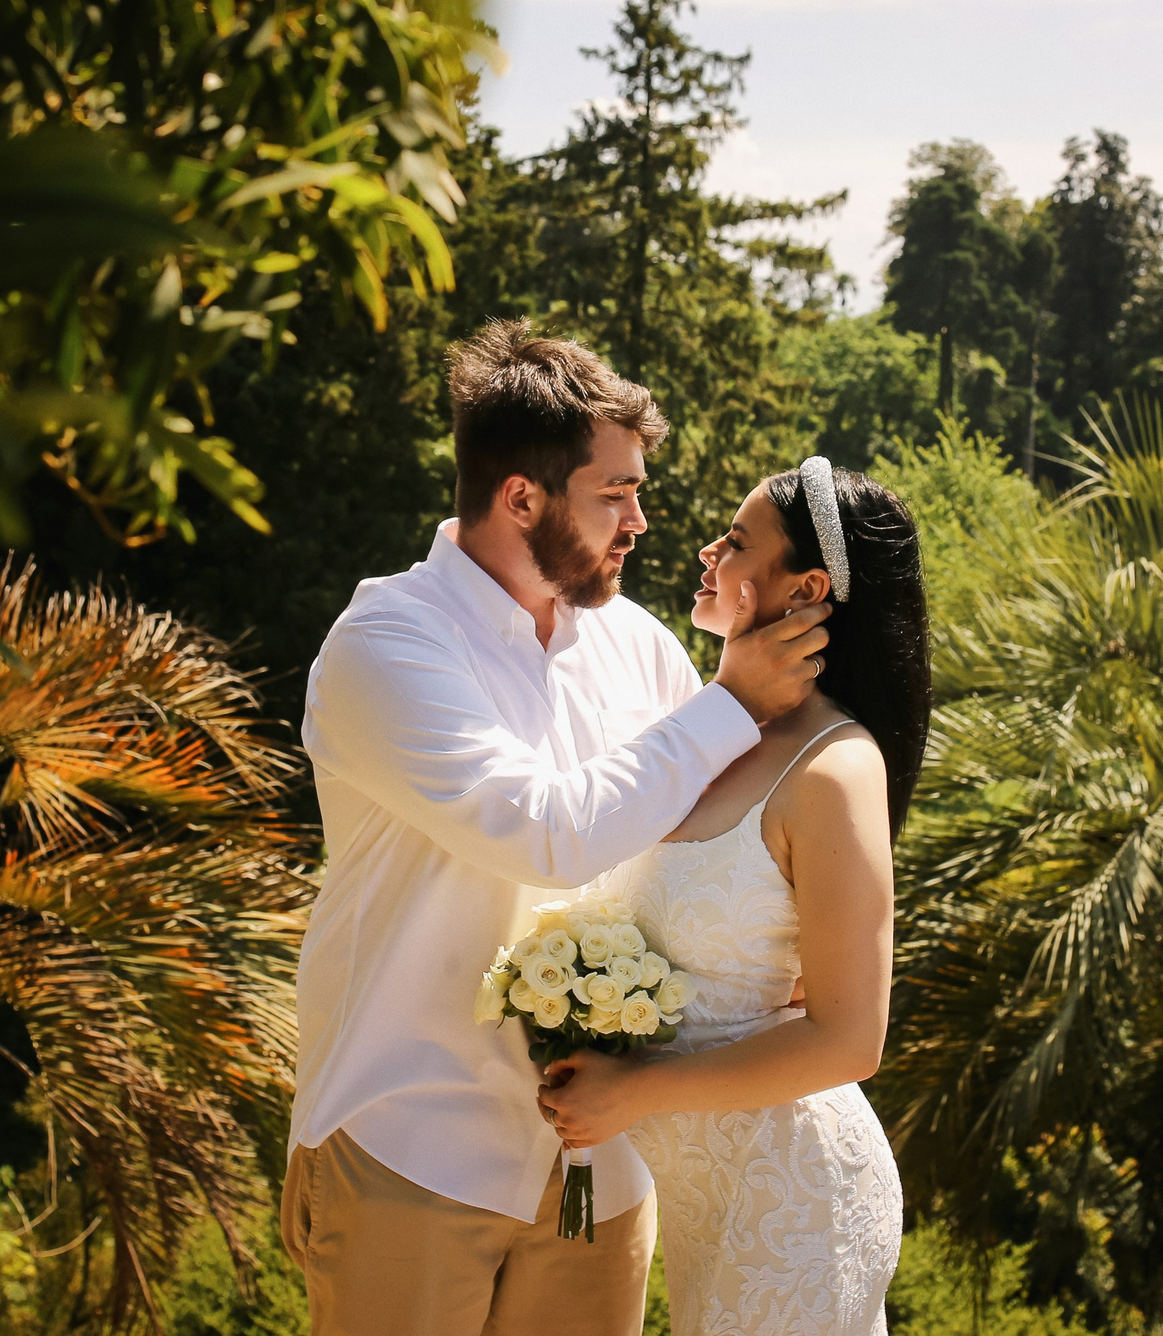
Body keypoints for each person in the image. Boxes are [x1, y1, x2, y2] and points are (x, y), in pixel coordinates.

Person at [282, 320, 832, 1336]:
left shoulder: (638, 648)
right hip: (414, 1143)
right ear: (520, 497)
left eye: (638, 492)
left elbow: (696, 843)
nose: (639, 522)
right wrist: (731, 700)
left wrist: (776, 951)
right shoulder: (386, 643)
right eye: (613, 494)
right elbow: (545, 832)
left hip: (604, 1166)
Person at [540, 458, 929, 1336]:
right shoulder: (708, 733)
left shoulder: (835, 767)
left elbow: (851, 1038)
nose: (709, 549)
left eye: (739, 539)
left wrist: (636, 1090)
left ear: (808, 588)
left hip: (796, 1204)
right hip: (706, 1206)